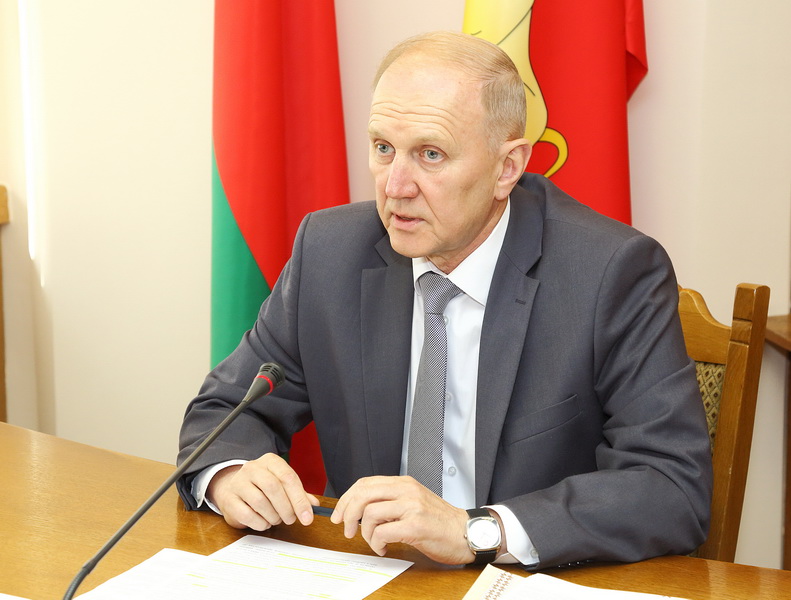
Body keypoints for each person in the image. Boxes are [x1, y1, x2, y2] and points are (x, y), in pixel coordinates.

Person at [177, 31, 712, 569]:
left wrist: (475, 530)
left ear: (507, 168)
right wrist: (230, 475)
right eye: (383, 148)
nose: (395, 186)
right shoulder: (330, 253)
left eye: (430, 154)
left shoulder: (608, 273)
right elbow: (224, 410)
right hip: (371, 575)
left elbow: (671, 485)